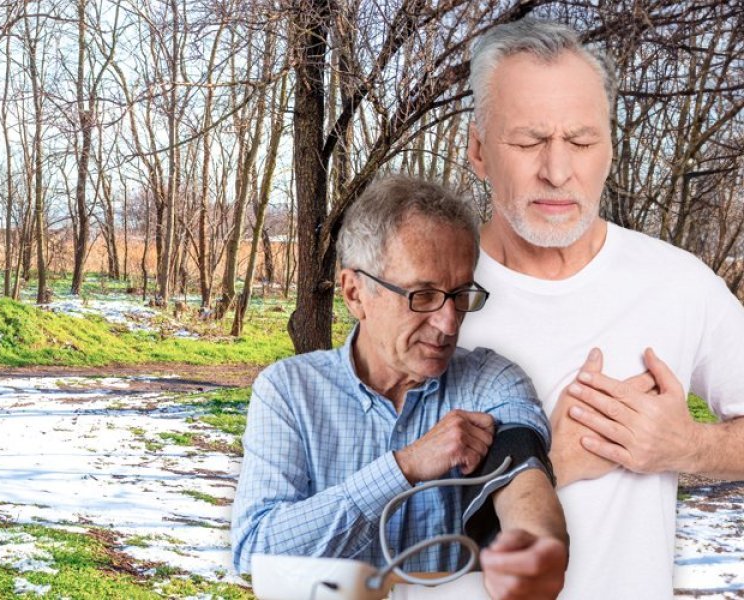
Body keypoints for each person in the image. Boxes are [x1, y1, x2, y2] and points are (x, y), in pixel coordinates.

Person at [460, 18, 744, 599]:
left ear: (610, 148)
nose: (558, 171)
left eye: (582, 141)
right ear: (479, 151)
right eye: (528, 141)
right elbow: (361, 527)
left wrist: (687, 445)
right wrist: (542, 467)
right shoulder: (424, 301)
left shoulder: (679, 284)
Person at [232, 175, 568, 599]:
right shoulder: (290, 392)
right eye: (423, 295)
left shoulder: (491, 381)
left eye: (460, 293)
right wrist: (403, 467)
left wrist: (537, 546)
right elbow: (256, 553)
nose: (449, 324)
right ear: (356, 293)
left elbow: (523, 472)